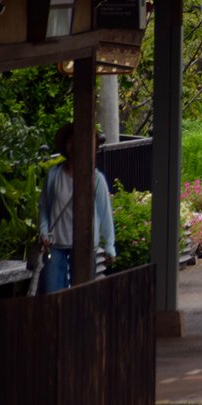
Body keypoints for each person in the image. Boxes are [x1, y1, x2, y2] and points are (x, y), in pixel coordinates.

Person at [37, 123, 116, 293]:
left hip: (84, 245)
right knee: (53, 294)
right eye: (70, 141)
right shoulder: (54, 175)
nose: (74, 146)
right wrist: (43, 231)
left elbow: (105, 214)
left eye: (79, 141)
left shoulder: (96, 179)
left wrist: (110, 246)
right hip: (55, 243)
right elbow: (44, 206)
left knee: (83, 296)